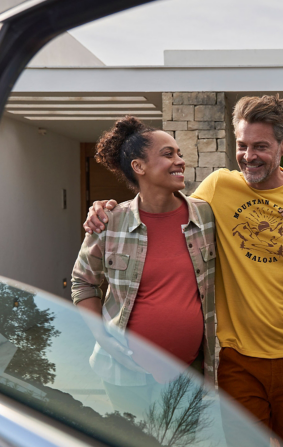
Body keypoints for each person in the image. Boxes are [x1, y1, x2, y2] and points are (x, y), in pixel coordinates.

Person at [84, 95, 283, 447]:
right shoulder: (217, 187)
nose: (248, 155)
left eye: (260, 146)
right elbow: (164, 207)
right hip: (234, 359)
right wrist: (107, 209)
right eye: (242, 145)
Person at [71, 116, 216, 417]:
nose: (180, 161)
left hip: (188, 372)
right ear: (139, 167)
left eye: (179, 153)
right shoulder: (111, 221)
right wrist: (102, 338)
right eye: (168, 154)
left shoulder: (206, 216)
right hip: (123, 373)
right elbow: (83, 282)